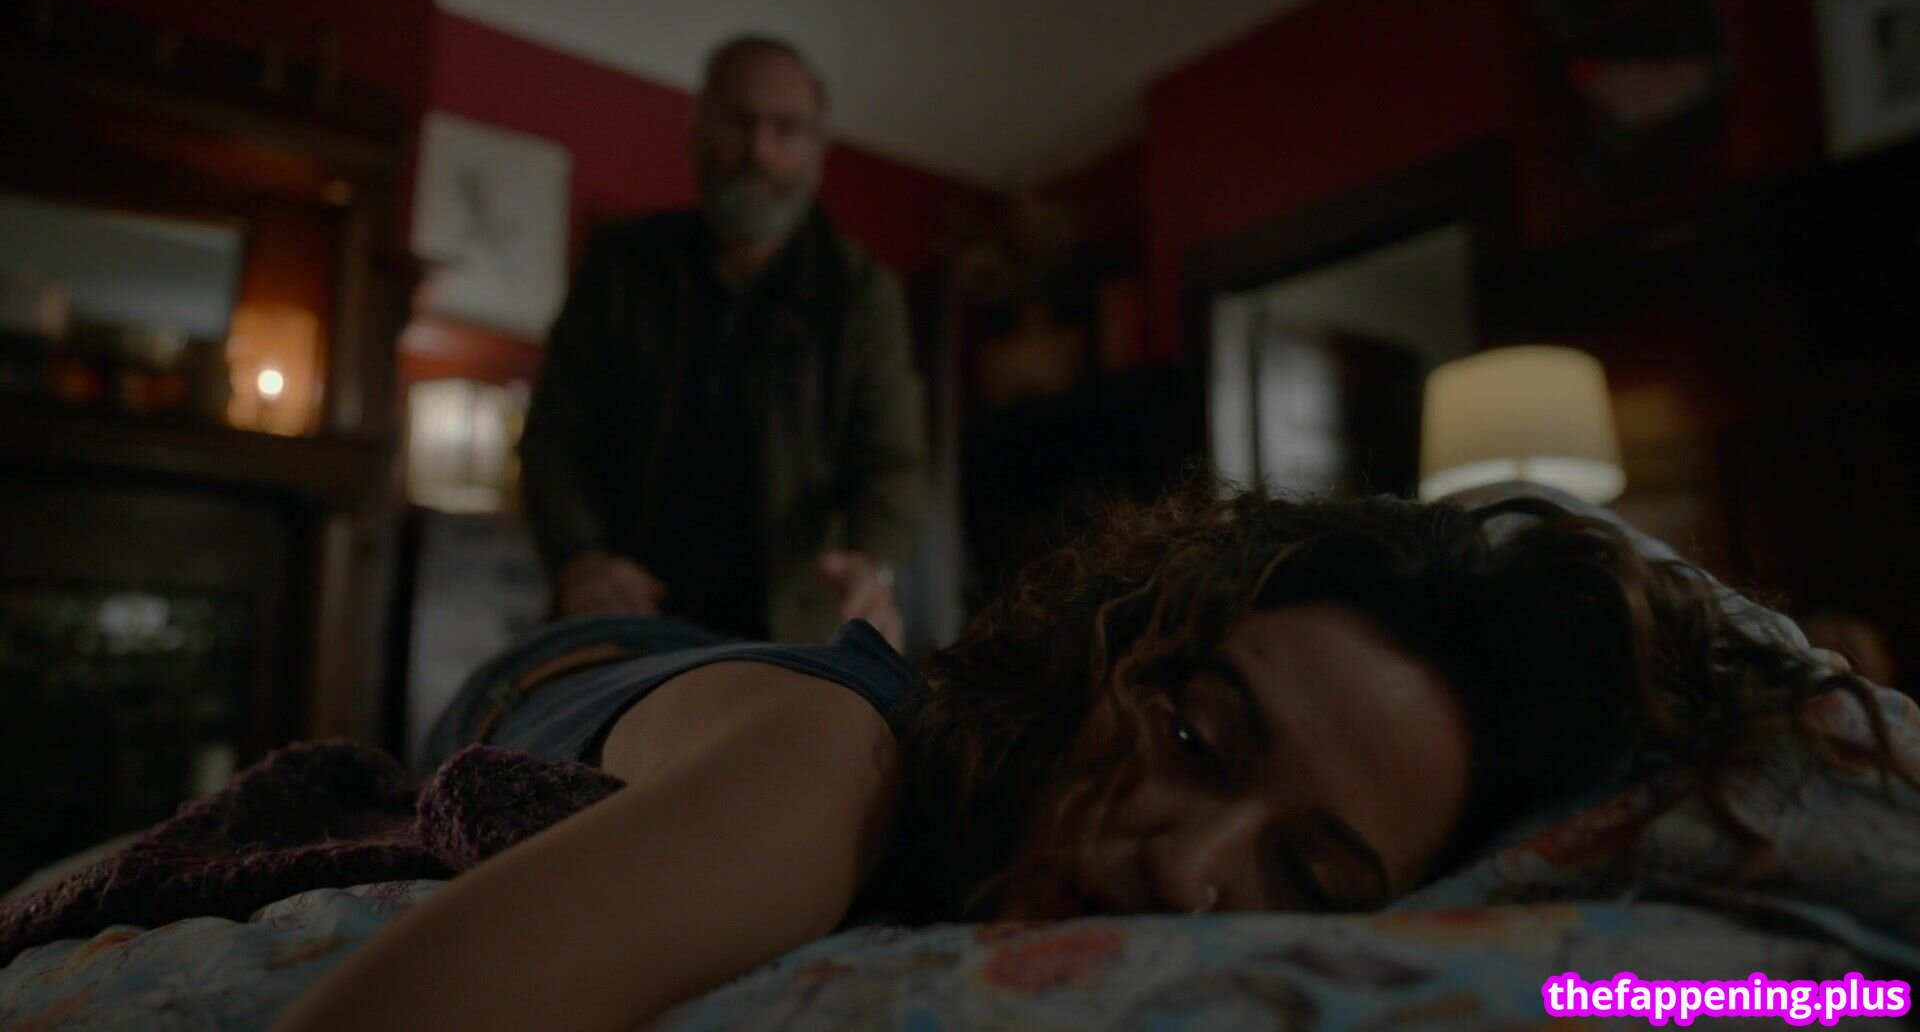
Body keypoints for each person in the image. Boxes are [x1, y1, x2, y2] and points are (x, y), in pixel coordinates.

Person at [282, 478, 1910, 1029]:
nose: (1184, 868)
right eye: (1195, 737)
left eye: (1307, 875)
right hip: (582, 668)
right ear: (1122, 654)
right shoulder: (832, 772)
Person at [517, 34, 926, 648]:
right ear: (698, 131)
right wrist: (580, 558)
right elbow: (553, 435)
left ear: (817, 153)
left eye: (786, 128)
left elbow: (894, 462)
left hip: (792, 640)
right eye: (739, 121)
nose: (759, 151)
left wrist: (871, 563)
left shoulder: (864, 293)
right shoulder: (620, 263)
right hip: (620, 621)